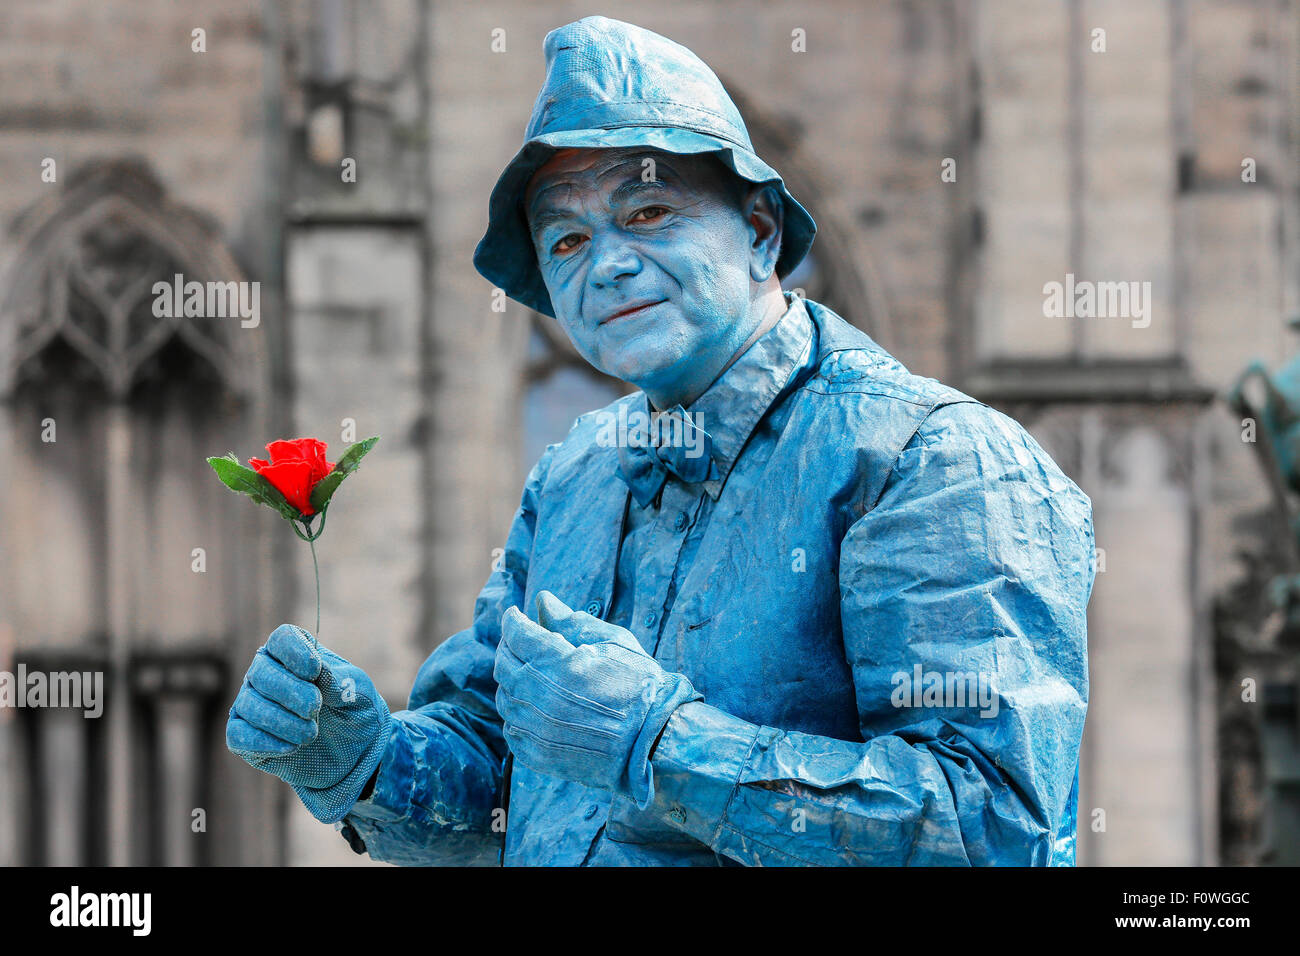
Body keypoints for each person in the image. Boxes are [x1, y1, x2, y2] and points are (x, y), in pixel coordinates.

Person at [226, 15, 1094, 866]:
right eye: (566, 238)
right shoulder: (572, 477)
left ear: (759, 233)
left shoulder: (937, 461)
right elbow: (501, 790)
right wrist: (365, 762)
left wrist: (662, 745)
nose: (604, 263)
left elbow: (990, 830)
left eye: (645, 212)